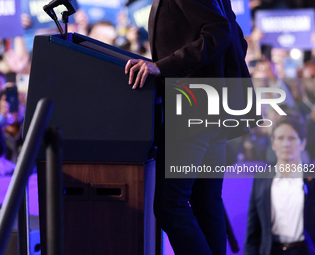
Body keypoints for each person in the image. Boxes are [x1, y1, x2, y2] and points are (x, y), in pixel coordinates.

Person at [124, 0, 260, 254]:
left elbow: (219, 31)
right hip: (212, 105)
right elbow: (236, 38)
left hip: (194, 105)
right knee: (205, 202)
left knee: (170, 206)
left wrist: (162, 67)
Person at [244, 116, 315, 255]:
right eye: (280, 138)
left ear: (303, 143)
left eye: (292, 138)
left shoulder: (311, 179)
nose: (286, 144)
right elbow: (253, 232)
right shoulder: (261, 179)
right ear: (273, 143)